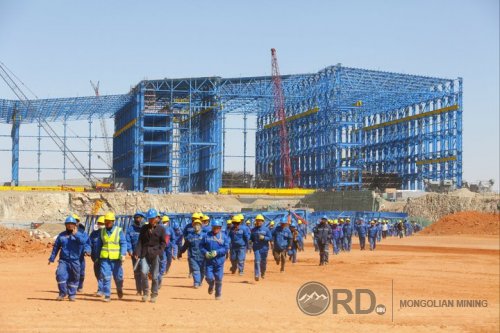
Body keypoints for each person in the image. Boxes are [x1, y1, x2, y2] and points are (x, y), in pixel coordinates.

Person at [48, 216, 90, 301]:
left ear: (75, 225)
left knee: (74, 277)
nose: (70, 226)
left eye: (72, 224)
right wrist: (52, 258)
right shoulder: (62, 235)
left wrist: (76, 235)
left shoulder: (80, 234)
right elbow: (56, 247)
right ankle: (62, 293)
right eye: (68, 224)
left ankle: (72, 294)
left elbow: (83, 242)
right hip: (64, 260)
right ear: (65, 225)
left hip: (75, 260)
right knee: (60, 275)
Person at [134, 208, 167, 303]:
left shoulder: (161, 229)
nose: (151, 220)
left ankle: (154, 294)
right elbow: (140, 241)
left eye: (152, 218)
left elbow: (163, 243)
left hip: (155, 254)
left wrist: (159, 252)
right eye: (149, 219)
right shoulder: (144, 228)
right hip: (145, 253)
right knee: (144, 273)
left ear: (157, 218)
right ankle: (145, 293)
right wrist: (137, 252)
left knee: (155, 276)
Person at [96, 212, 127, 302]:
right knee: (106, 276)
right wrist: (97, 257)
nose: (107, 223)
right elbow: (99, 245)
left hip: (116, 259)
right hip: (105, 258)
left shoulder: (119, 231)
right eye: (106, 221)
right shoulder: (102, 232)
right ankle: (107, 295)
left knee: (118, 277)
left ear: (113, 222)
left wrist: (123, 254)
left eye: (109, 221)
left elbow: (123, 243)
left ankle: (119, 288)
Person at [201, 220, 230, 300]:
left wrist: (217, 252)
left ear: (220, 228)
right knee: (208, 277)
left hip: (219, 261)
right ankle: (211, 284)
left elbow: (226, 248)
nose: (215, 229)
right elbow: (201, 246)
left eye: (217, 228)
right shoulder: (206, 236)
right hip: (209, 261)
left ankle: (218, 294)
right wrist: (205, 252)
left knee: (219, 278)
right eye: (214, 227)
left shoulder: (224, 237)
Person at [180, 218, 206, 289]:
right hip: (193, 256)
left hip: (203, 256)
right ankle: (196, 283)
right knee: (195, 270)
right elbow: (185, 245)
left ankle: (199, 281)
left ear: (201, 226)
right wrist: (181, 252)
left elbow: (210, 245)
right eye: (195, 225)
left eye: (198, 225)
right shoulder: (190, 236)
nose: (196, 226)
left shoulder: (205, 236)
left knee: (202, 270)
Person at [126, 211, 144, 295]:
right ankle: (139, 290)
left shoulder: (145, 228)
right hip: (134, 255)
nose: (137, 219)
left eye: (139, 217)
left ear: (142, 218)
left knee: (144, 271)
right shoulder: (130, 229)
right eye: (136, 218)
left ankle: (145, 289)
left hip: (144, 254)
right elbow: (128, 240)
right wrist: (129, 250)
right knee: (137, 272)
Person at [250, 215, 272, 281]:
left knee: (263, 262)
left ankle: (263, 272)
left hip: (264, 248)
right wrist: (250, 240)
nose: (258, 222)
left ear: (262, 222)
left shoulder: (266, 229)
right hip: (256, 248)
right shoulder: (253, 230)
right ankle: (257, 274)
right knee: (257, 261)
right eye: (257, 220)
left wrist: (264, 238)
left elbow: (270, 238)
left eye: (260, 221)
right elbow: (251, 238)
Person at [73, 213, 90, 292]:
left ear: (78, 222)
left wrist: (87, 250)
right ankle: (71, 287)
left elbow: (87, 242)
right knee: (71, 272)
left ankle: (80, 286)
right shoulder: (66, 232)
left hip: (80, 256)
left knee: (81, 273)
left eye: (76, 221)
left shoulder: (83, 233)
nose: (74, 223)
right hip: (71, 257)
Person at [89, 215, 105, 296]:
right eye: (99, 223)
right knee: (97, 273)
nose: (100, 225)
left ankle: (101, 289)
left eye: (102, 223)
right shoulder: (94, 234)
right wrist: (88, 250)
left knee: (102, 273)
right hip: (95, 258)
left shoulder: (107, 234)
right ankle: (102, 288)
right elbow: (89, 243)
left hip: (105, 257)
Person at [159, 215, 173, 287]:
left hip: (169, 247)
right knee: (163, 260)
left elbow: (173, 238)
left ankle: (167, 269)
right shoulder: (160, 228)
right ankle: (162, 272)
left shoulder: (170, 229)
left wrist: (172, 245)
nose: (165, 223)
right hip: (162, 248)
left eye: (166, 222)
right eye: (164, 222)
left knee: (169, 260)